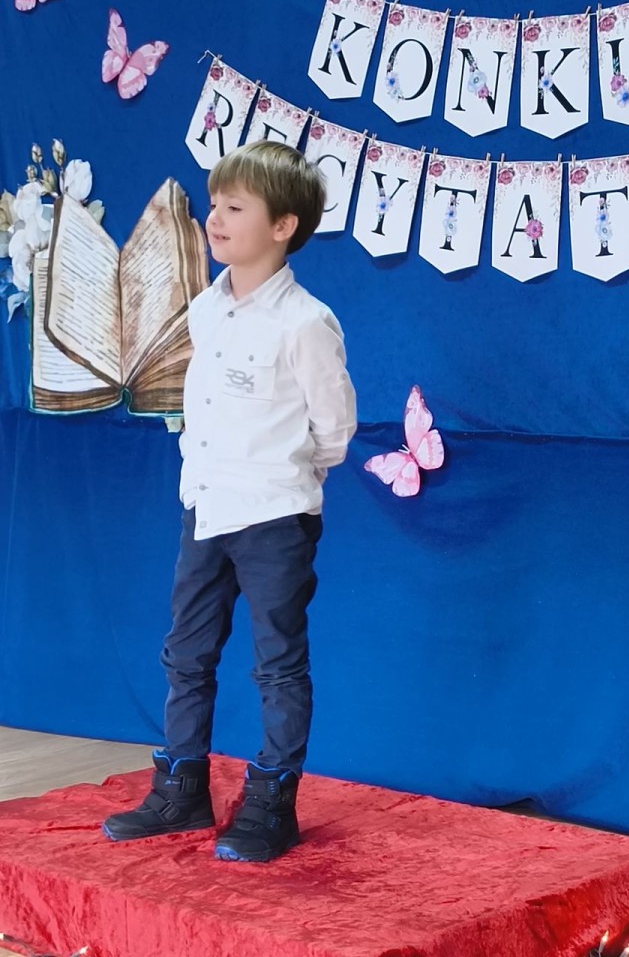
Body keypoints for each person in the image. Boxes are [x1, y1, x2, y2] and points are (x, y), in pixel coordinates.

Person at [102, 140, 357, 863]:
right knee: (186, 652)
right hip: (206, 506)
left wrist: (281, 477)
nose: (215, 217)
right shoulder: (206, 310)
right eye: (213, 203)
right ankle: (181, 789)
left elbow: (334, 431)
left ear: (282, 226)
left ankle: (272, 801)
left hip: (273, 514)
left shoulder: (304, 322)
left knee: (277, 661)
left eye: (235, 207)